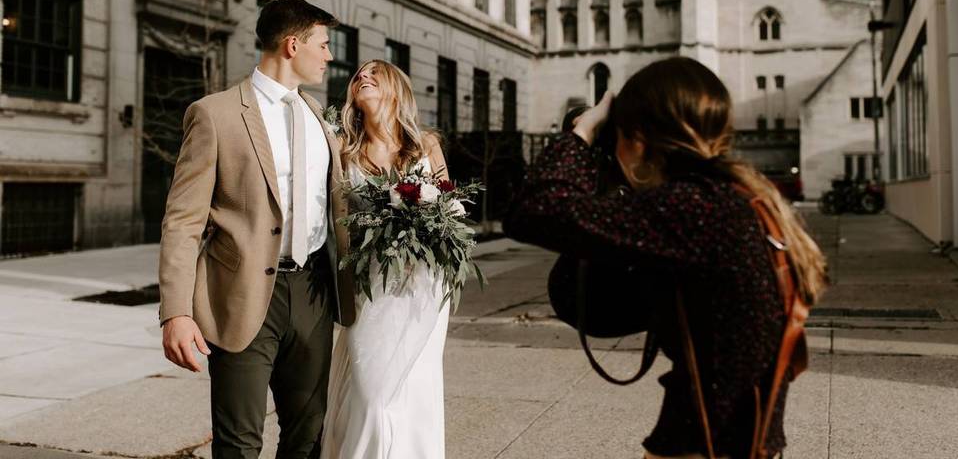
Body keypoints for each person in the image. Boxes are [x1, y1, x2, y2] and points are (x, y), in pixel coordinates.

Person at [504, 57, 827, 459]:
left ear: (638, 138)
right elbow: (606, 304)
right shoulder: (741, 199)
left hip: (704, 443)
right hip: (739, 436)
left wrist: (581, 135)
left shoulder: (694, 209)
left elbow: (533, 212)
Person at [158, 0, 356, 458]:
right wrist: (176, 312)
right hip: (240, 295)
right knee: (238, 445)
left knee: (308, 437)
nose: (329, 56)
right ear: (292, 45)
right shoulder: (215, 114)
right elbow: (183, 220)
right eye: (323, 45)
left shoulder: (318, 119)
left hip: (314, 292)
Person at [321, 59, 449, 459]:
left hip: (424, 287)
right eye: (358, 75)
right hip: (371, 284)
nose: (363, 77)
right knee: (371, 391)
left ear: (395, 87)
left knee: (414, 386)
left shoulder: (426, 144)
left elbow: (449, 207)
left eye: (374, 73)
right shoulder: (343, 148)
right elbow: (335, 218)